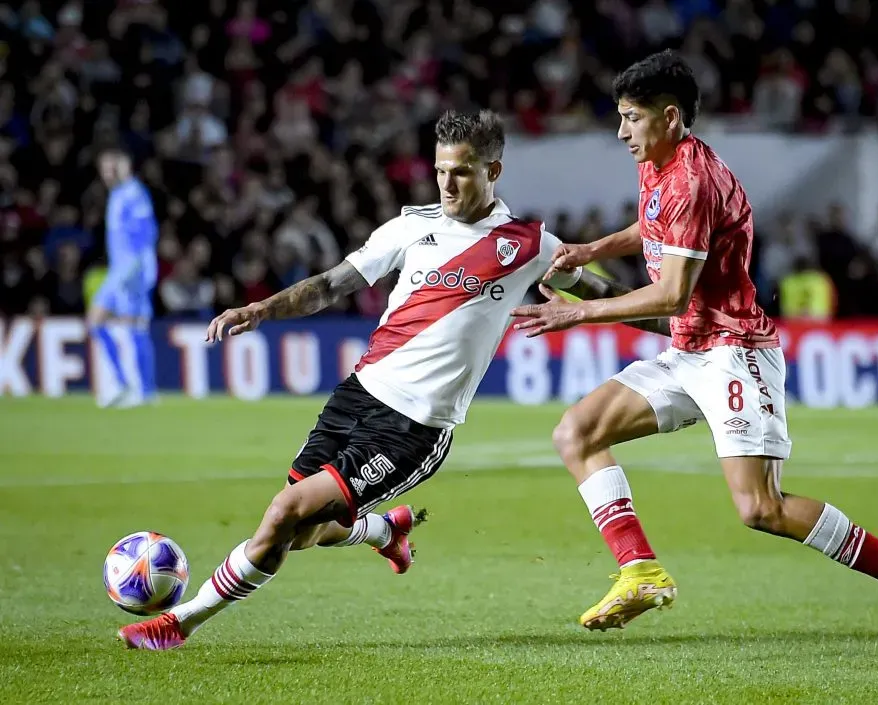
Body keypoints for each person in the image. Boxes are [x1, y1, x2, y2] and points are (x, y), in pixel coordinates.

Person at [116, 109, 664, 651]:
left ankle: (178, 624)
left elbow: (599, 294)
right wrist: (262, 308)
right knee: (297, 532)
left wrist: (681, 324)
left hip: (415, 428)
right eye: (441, 170)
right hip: (357, 394)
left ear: (493, 172)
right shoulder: (411, 226)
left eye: (463, 171)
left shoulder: (529, 245)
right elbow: (331, 285)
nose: (448, 183)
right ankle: (384, 531)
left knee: (283, 515)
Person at [511, 50, 878, 655]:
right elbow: (654, 224)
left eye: (631, 118)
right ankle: (640, 571)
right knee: (576, 433)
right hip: (688, 348)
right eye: (619, 117)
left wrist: (577, 311)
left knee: (761, 508)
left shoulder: (693, 178)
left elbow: (671, 292)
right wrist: (594, 250)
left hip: (733, 351)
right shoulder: (660, 163)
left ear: (669, 117)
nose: (621, 132)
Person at [89, 145, 159, 407]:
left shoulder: (133, 193)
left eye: (111, 167)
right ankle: (123, 384)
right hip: (118, 271)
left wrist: (139, 271)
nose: (107, 173)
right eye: (103, 168)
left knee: (134, 327)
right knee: (96, 321)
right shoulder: (118, 194)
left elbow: (147, 234)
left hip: (131, 272)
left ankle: (145, 392)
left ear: (122, 166)